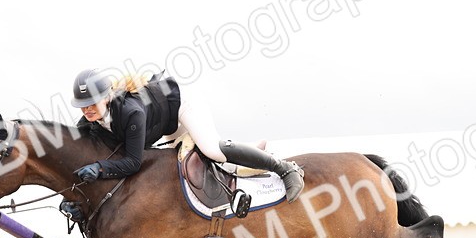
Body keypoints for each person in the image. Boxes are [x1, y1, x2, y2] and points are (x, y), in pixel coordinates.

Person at [69, 68, 305, 202]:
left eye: (92, 102)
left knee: (211, 149)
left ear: (107, 96)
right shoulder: (88, 121)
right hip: (162, 119)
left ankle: (284, 168)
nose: (87, 109)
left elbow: (132, 162)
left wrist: (99, 169)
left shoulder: (131, 112)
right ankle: (250, 153)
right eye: (83, 105)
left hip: (181, 103)